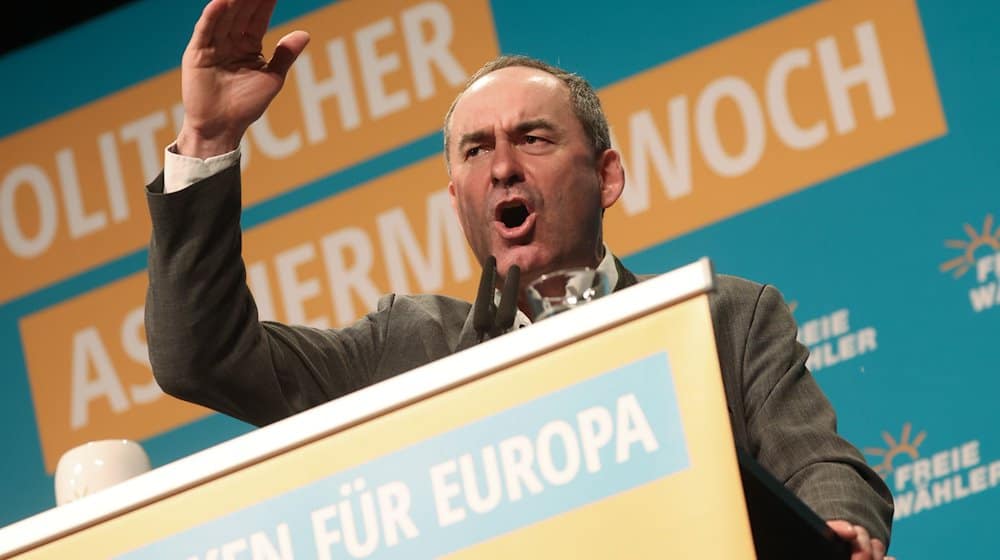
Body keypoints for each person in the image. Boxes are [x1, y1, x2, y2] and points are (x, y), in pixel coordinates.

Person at [144, 1, 894, 558]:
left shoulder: (725, 316)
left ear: (607, 176)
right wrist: (209, 139)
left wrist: (841, 530)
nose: (501, 164)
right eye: (474, 151)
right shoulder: (403, 348)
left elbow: (820, 463)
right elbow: (202, 355)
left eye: (532, 138)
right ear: (457, 200)